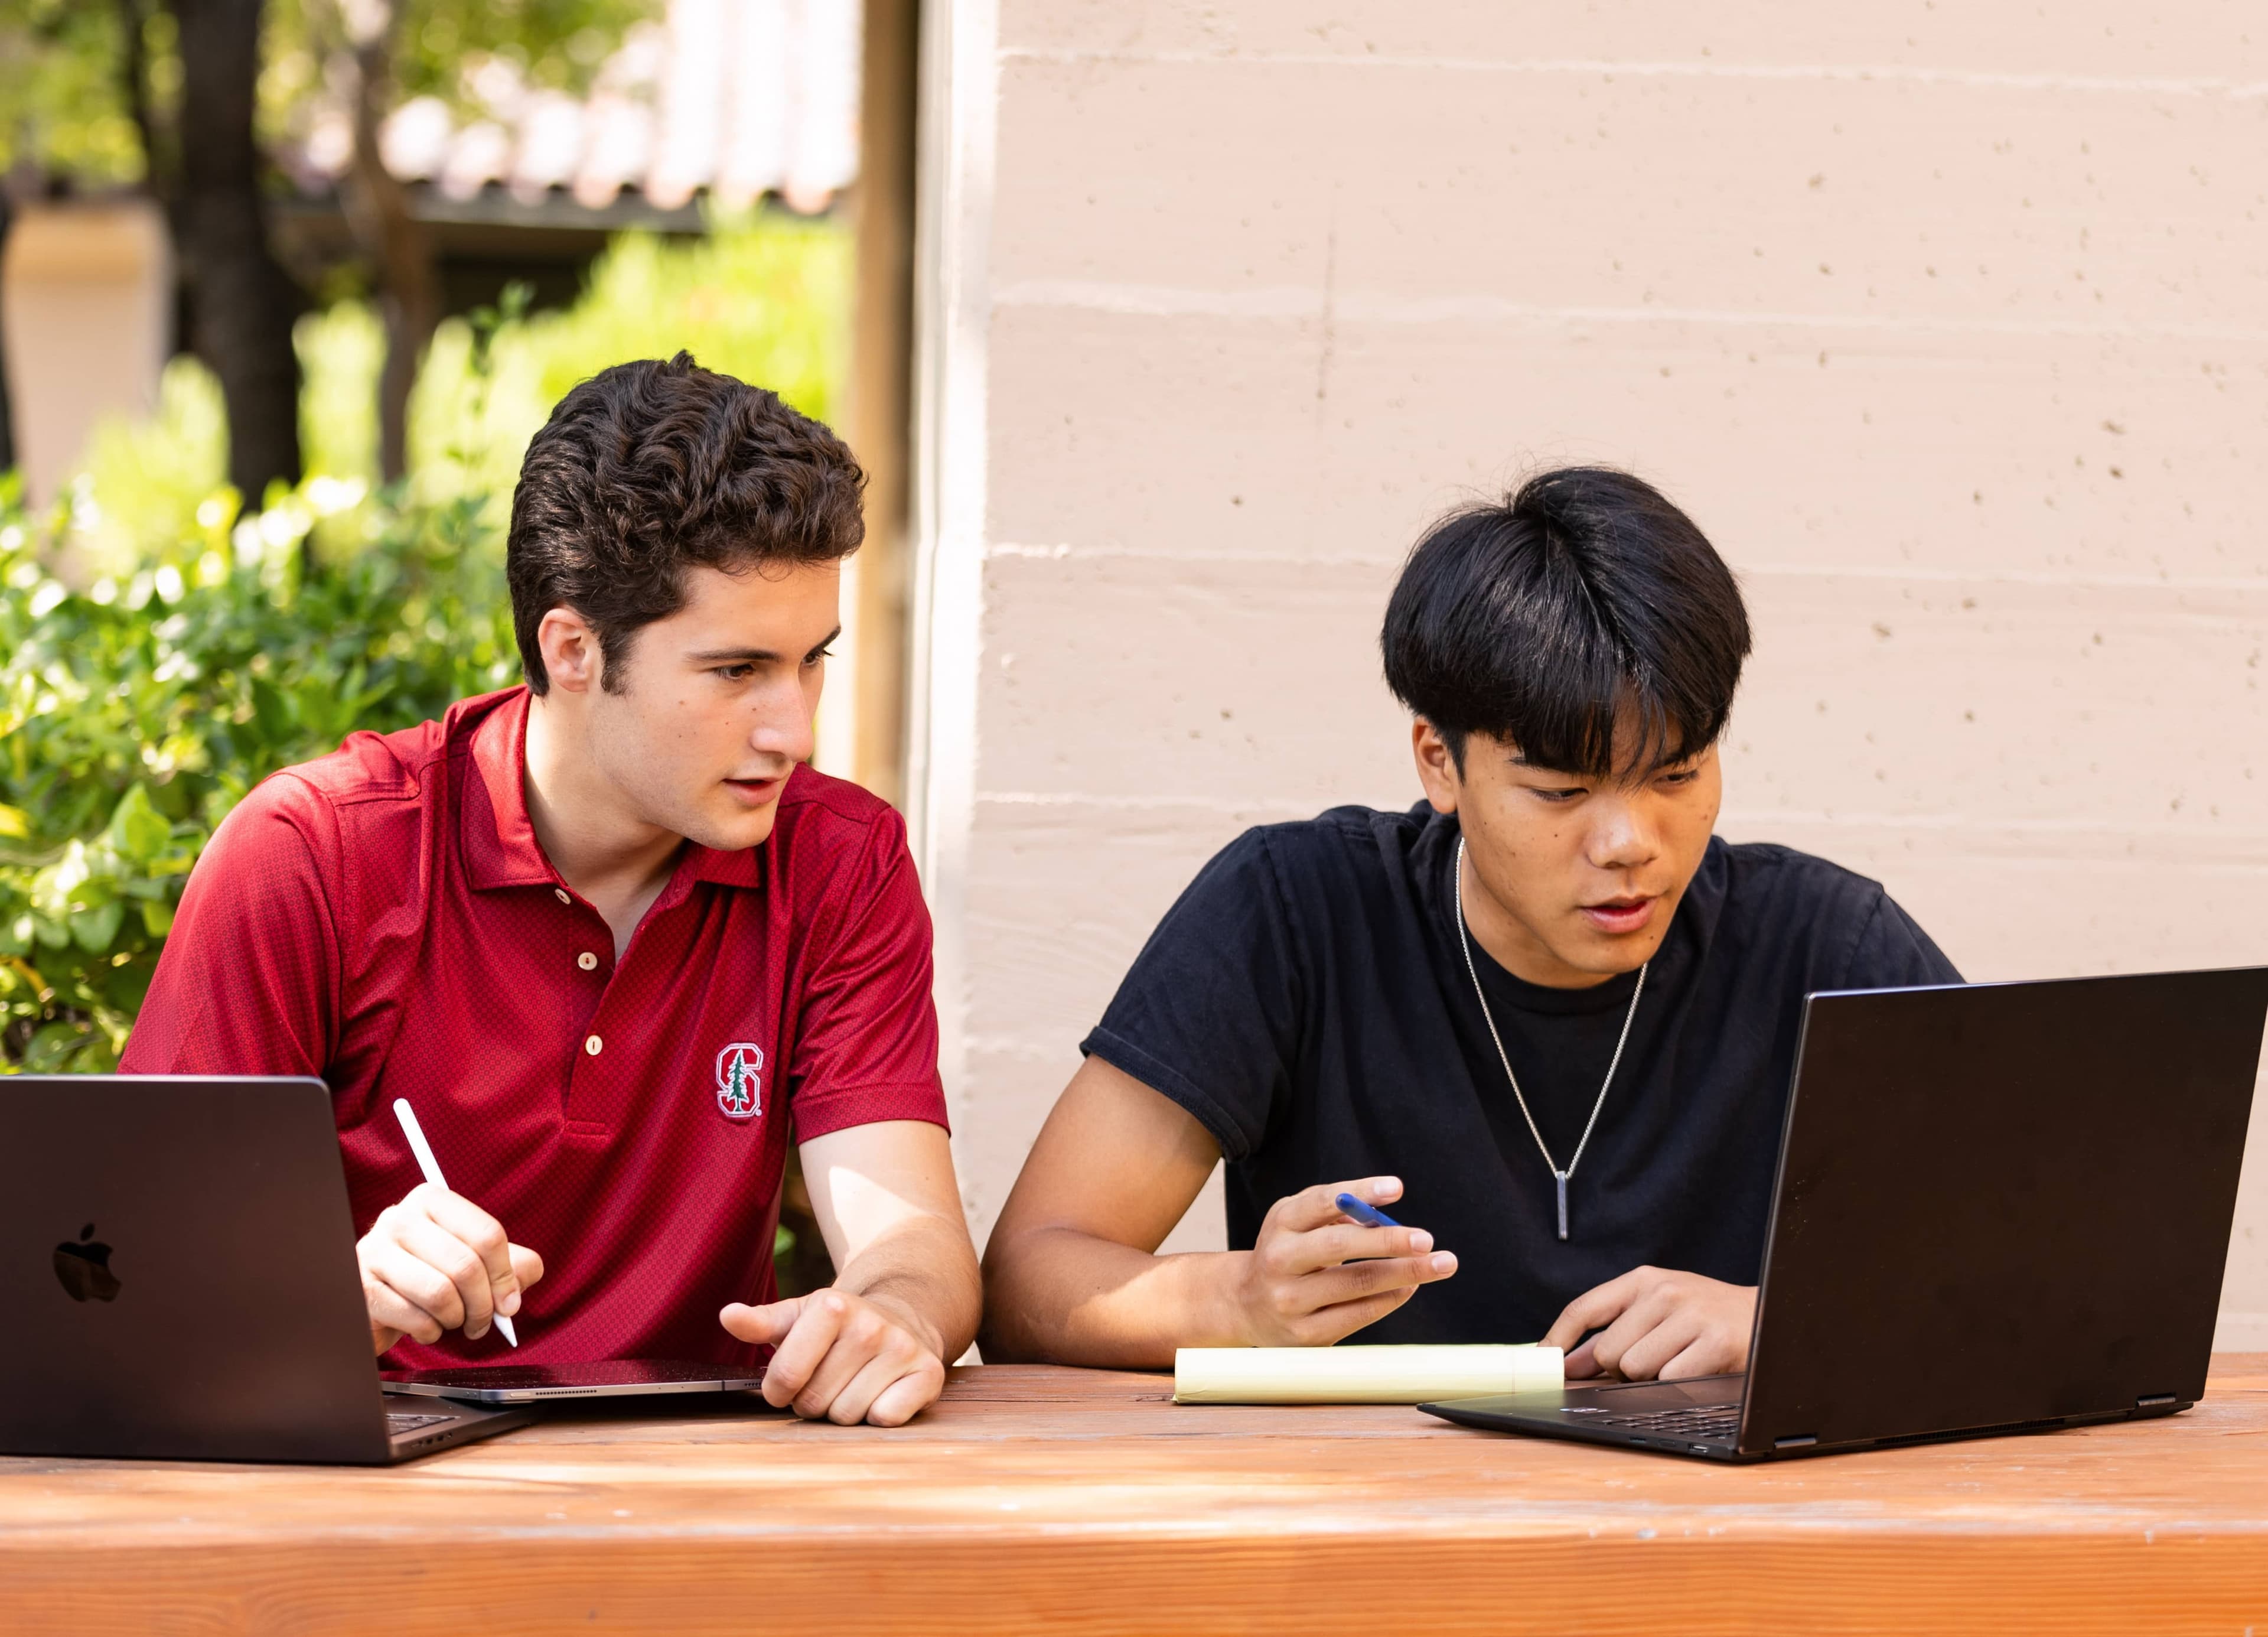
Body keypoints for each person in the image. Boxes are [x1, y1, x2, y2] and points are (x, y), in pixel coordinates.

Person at [123, 355, 978, 1427]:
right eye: (735, 672)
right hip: (369, 1484)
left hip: (708, 1485)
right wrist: (327, 1297)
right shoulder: (314, 855)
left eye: (813, 661)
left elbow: (913, 1244)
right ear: (573, 648)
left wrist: (891, 1315)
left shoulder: (841, 859)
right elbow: (135, 1294)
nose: (795, 731)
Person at [980, 466, 1960, 1381]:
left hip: (1723, 1536)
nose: (1630, 842)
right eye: (1561, 791)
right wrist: (1239, 1300)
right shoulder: (1295, 911)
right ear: (1439, 763)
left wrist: (1778, 1319)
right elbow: (1027, 1277)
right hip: (1368, 1526)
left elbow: (2072, 1262)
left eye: (1676, 776)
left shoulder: (1825, 941)